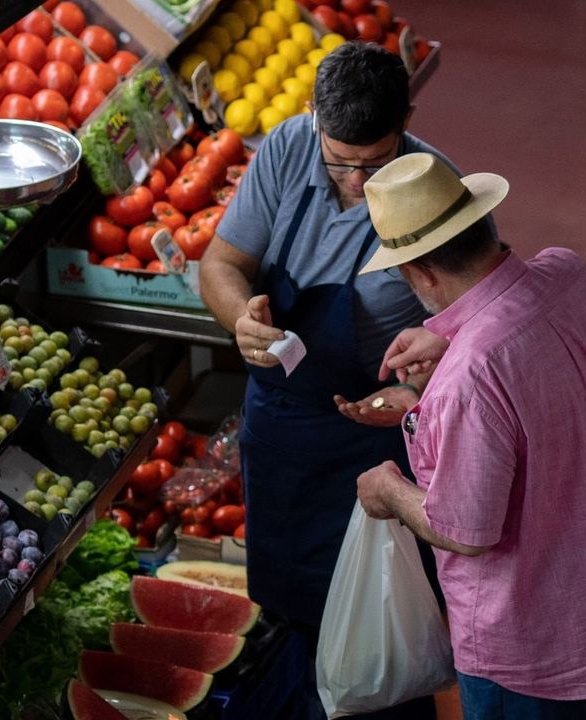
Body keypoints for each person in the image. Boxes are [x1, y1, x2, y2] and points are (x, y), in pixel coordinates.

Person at [348, 152, 586, 719]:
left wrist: (388, 489)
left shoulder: (471, 375)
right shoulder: (571, 275)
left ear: (422, 273)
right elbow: (533, 347)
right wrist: (451, 345)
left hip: (537, 655)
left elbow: (465, 530)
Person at [200, 42, 457, 719]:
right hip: (281, 426)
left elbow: (479, 331)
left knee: (379, 629)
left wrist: (423, 390)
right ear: (314, 116)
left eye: (373, 161)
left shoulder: (435, 190)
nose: (354, 178)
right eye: (339, 158)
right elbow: (222, 263)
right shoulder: (287, 148)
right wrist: (241, 321)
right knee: (293, 610)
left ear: (406, 123)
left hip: (370, 442)